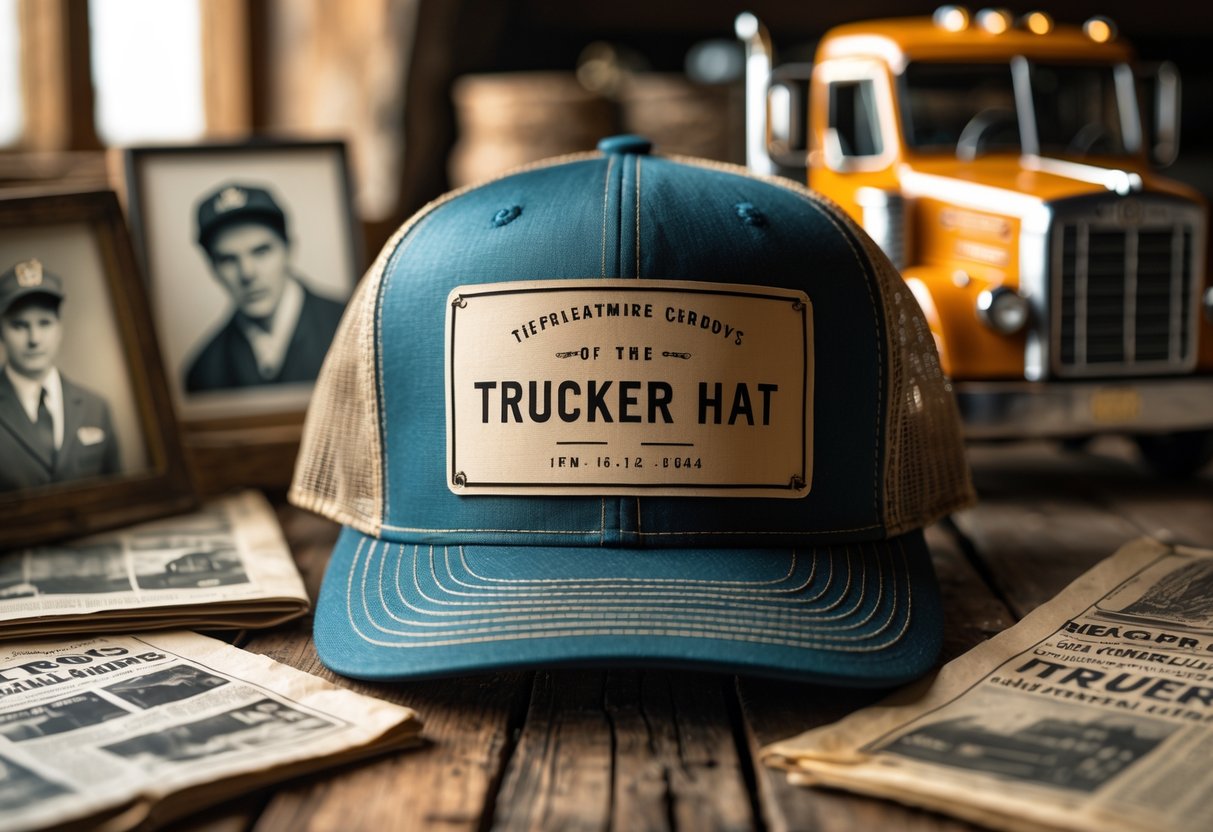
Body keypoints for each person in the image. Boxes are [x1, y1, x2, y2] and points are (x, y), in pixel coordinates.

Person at [184, 182, 346, 393]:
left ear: (289, 249)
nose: (247, 273)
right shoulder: (204, 373)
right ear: (213, 268)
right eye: (228, 260)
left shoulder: (351, 326)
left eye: (261, 251)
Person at [0, 259, 120, 491]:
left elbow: (118, 496)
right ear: (1, 331)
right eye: (19, 325)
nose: (34, 339)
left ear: (59, 329)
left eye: (44, 323)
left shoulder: (96, 408)